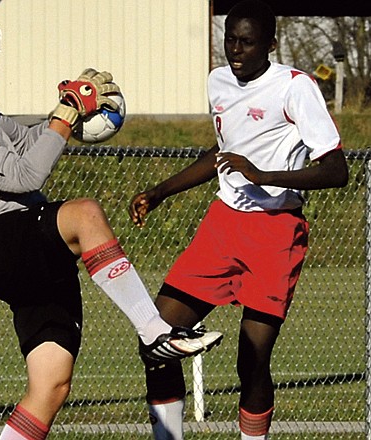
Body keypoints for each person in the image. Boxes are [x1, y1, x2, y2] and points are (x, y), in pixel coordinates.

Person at [0, 18, 222, 440]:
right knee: (84, 214)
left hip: (30, 249)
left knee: (51, 385)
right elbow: (25, 176)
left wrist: (72, 112)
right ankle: (155, 332)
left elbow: (29, 143)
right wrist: (66, 113)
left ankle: (154, 335)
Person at [128, 1, 349, 438]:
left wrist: (264, 175)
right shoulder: (218, 82)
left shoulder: (295, 87)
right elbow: (221, 153)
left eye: (247, 42)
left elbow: (336, 169)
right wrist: (159, 191)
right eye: (230, 38)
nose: (235, 49)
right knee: (155, 341)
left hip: (276, 233)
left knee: (251, 361)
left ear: (270, 43)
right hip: (223, 225)